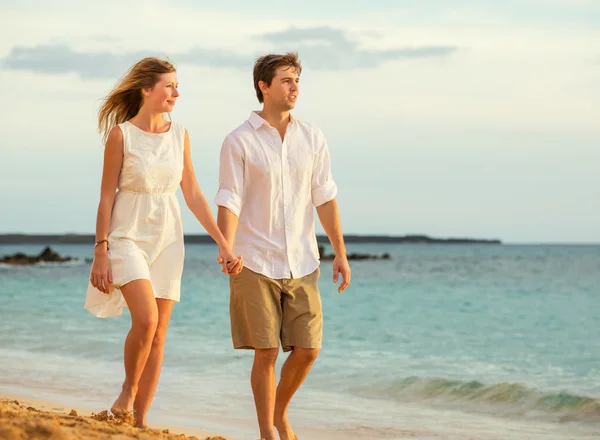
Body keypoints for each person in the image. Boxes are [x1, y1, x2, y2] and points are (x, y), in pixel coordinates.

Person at [84, 57, 241, 428]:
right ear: (146, 90)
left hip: (168, 236)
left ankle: (138, 421)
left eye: (176, 86)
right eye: (169, 86)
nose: (176, 92)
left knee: (158, 334)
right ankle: (127, 391)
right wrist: (100, 252)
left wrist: (224, 243)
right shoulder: (121, 134)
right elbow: (106, 197)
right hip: (126, 234)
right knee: (146, 319)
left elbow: (194, 194)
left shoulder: (180, 134)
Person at [214, 52, 351, 440]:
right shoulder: (238, 140)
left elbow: (324, 196)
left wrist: (340, 251)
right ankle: (267, 433)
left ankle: (278, 413)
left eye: (297, 81)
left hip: (303, 260)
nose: (295, 88)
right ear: (264, 86)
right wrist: (226, 246)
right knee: (267, 352)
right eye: (287, 80)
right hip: (253, 259)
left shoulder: (312, 137)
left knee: (308, 349)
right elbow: (229, 198)